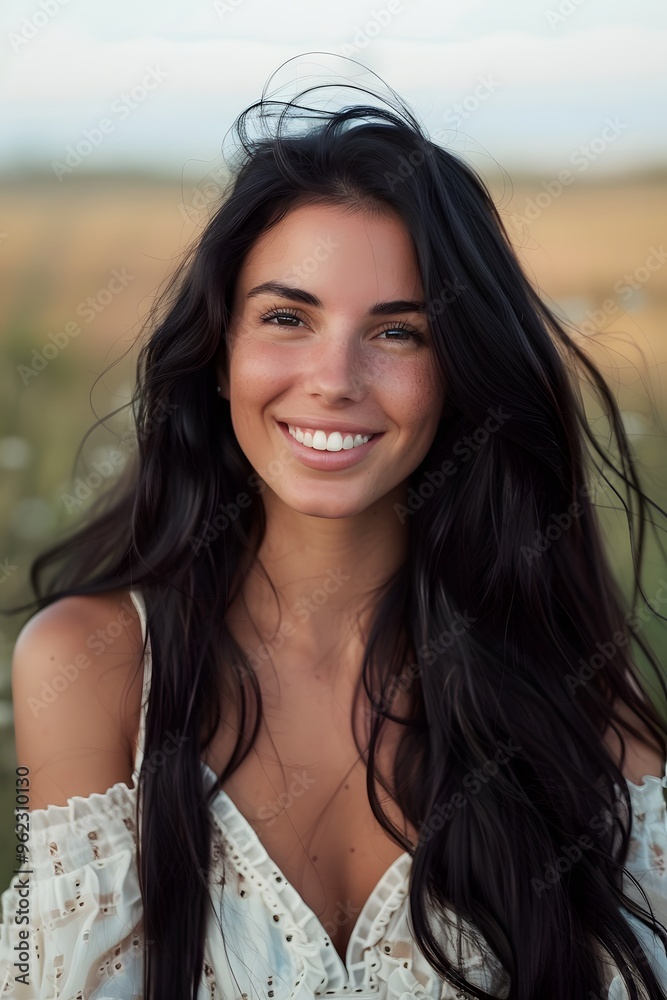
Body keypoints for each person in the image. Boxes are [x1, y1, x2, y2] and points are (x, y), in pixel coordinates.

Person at [1, 67, 667, 1000]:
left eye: (398, 333)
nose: (334, 379)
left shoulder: (573, 678)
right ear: (219, 351)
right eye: (287, 317)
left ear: (460, 370)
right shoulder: (92, 665)